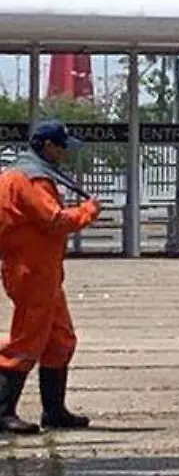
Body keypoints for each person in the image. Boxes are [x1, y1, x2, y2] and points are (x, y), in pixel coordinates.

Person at [0, 120, 102, 435]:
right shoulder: (29, 179)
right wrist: (88, 212)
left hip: (43, 271)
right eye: (61, 147)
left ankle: (55, 411)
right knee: (26, 340)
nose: (64, 154)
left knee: (60, 339)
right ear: (47, 146)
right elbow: (54, 220)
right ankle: (3, 412)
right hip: (31, 271)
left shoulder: (26, 173)